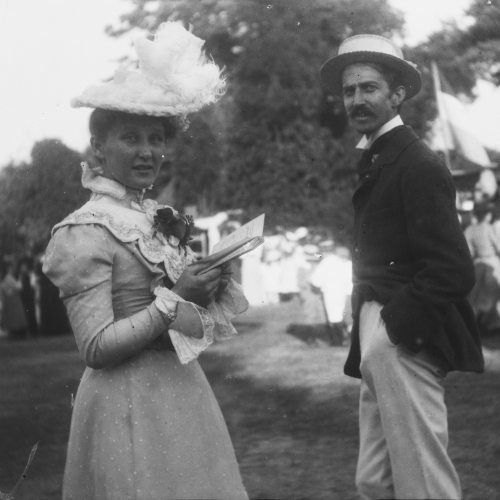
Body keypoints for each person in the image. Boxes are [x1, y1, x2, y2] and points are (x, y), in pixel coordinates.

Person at [43, 23, 249, 500]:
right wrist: (175, 299)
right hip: (125, 402)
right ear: (99, 146)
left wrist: (208, 286)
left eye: (156, 138)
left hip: (180, 393)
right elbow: (94, 347)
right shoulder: (85, 229)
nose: (148, 152)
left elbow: (185, 326)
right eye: (130, 138)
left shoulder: (154, 216)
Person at [320, 34, 484, 499]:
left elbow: (453, 270)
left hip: (404, 334)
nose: (356, 100)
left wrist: (391, 331)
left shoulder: (417, 162)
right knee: (375, 479)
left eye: (369, 88)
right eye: (350, 91)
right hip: (379, 330)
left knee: (423, 481)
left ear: (396, 95)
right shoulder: (377, 157)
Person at [465, 202, 500, 332]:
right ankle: (491, 325)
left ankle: (476, 324)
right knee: (492, 295)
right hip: (492, 263)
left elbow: (469, 251)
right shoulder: (488, 228)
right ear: (487, 215)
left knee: (476, 297)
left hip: (478, 264)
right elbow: (498, 247)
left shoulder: (470, 229)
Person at [309, 242, 352, 346]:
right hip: (344, 291)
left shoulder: (325, 262)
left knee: (334, 316)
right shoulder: (341, 261)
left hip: (330, 292)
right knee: (343, 314)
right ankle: (347, 338)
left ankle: (339, 340)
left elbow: (315, 280)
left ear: (323, 251)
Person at [0, 260, 28, 340]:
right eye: (11, 268)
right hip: (13, 300)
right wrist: (20, 281)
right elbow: (18, 287)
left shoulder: (7, 278)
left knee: (14, 316)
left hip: (12, 300)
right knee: (16, 316)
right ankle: (17, 332)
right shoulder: (9, 278)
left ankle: (15, 332)